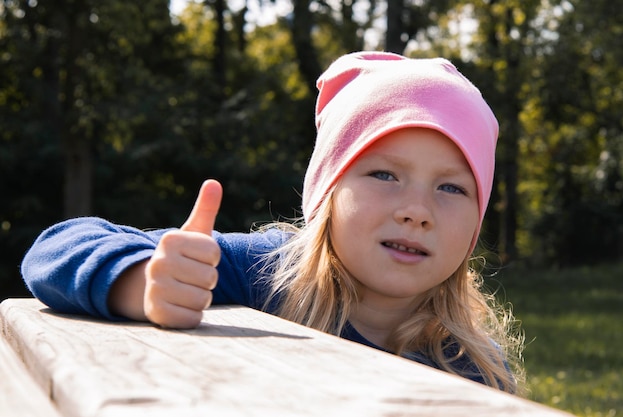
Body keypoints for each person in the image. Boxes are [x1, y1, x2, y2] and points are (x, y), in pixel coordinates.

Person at [21, 51, 525, 394]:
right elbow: (55, 248)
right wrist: (141, 282)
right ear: (327, 192)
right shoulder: (266, 271)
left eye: (451, 187)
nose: (416, 210)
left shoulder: (474, 371)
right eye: (385, 174)